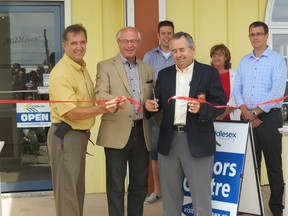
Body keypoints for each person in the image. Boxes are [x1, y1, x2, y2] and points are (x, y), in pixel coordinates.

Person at [47, 24, 126, 216]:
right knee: (67, 195)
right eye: (73, 43)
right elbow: (72, 113)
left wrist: (111, 102)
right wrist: (101, 109)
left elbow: (87, 100)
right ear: (64, 45)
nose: (79, 47)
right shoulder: (62, 73)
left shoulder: (81, 68)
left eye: (82, 42)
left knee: (76, 191)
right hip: (66, 137)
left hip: (78, 137)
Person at [145, 32, 226, 216]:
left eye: (182, 49)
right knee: (171, 197)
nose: (178, 54)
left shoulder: (208, 72)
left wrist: (202, 108)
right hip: (169, 141)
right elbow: (156, 103)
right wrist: (150, 106)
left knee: (201, 198)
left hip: (197, 141)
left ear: (193, 50)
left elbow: (220, 104)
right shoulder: (164, 75)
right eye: (174, 51)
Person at [95, 27, 154, 216]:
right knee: (115, 186)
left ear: (139, 43)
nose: (129, 45)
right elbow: (100, 94)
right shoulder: (105, 66)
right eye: (125, 41)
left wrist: (151, 104)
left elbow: (150, 98)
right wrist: (115, 100)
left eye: (133, 41)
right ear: (118, 43)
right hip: (116, 133)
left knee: (139, 185)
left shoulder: (147, 69)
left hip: (141, 133)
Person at [234, 21, 286, 216]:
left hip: (269, 118)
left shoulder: (276, 60)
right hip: (246, 117)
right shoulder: (244, 61)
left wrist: (255, 113)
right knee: (248, 165)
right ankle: (249, 206)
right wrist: (247, 112)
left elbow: (277, 92)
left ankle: (276, 208)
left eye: (258, 34)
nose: (255, 37)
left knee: (273, 166)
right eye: (252, 34)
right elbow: (237, 89)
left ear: (266, 36)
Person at [143, 20, 175, 204]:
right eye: (163, 33)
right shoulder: (149, 57)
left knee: (177, 148)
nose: (166, 36)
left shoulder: (179, 54)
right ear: (158, 35)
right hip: (156, 110)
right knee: (155, 150)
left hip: (176, 110)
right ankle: (158, 191)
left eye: (169, 33)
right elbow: (147, 84)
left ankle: (177, 191)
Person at [210, 44, 241, 120]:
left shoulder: (235, 75)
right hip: (210, 118)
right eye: (214, 56)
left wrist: (223, 114)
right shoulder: (207, 74)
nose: (216, 58)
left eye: (219, 55)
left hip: (229, 117)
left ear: (226, 57)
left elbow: (236, 96)